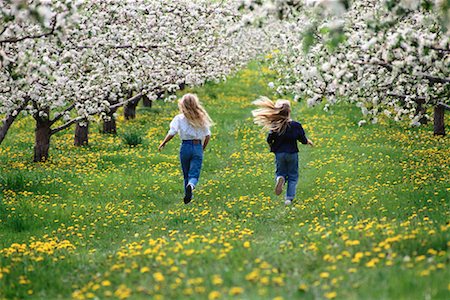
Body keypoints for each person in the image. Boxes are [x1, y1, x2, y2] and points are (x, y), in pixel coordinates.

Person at [252, 97, 313, 205]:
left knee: (281, 172)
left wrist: (272, 146)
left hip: (279, 153)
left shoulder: (275, 126)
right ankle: (288, 199)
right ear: (289, 111)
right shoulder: (296, 125)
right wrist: (307, 141)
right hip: (292, 153)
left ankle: (280, 178)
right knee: (293, 176)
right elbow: (302, 139)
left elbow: (269, 139)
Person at [158, 93, 213, 204]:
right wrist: (202, 148)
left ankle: (188, 197)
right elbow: (207, 135)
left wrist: (163, 143)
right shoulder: (201, 118)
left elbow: (172, 132)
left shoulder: (179, 118)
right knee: (194, 174)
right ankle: (191, 186)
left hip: (185, 147)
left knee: (186, 173)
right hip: (197, 146)